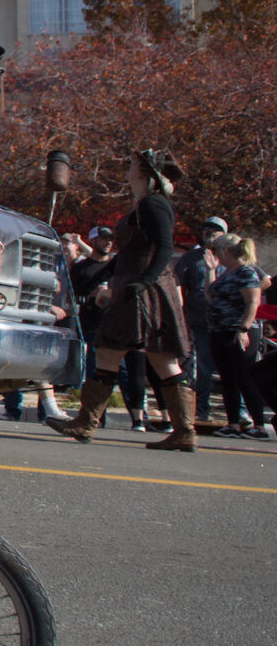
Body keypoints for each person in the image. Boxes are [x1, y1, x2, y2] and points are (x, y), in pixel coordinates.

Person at [48, 149, 197, 450]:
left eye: (133, 165)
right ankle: (184, 431)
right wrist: (102, 277)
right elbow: (126, 255)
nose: (128, 168)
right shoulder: (142, 205)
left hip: (143, 289)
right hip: (136, 286)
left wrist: (144, 281)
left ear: (145, 172)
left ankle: (86, 423)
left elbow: (165, 247)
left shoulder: (154, 204)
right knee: (157, 358)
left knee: (115, 352)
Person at [208, 235, 270, 439]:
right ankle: (233, 423)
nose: (215, 254)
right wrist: (210, 270)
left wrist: (243, 329)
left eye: (216, 250)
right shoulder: (227, 272)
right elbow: (210, 295)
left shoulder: (246, 271)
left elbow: (253, 301)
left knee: (245, 377)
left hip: (239, 331)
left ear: (225, 251)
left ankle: (259, 426)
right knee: (228, 379)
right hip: (220, 330)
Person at [176, 215, 227, 420]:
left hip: (225, 323)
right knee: (203, 368)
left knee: (229, 368)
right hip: (199, 321)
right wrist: (181, 317)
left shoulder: (230, 256)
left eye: (216, 229)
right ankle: (201, 410)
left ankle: (238, 412)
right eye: (207, 228)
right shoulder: (190, 258)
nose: (210, 232)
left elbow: (261, 280)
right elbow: (178, 286)